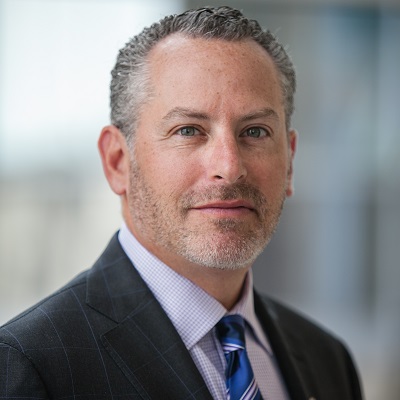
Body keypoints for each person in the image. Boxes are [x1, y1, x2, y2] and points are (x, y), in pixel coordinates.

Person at [0, 6, 363, 400]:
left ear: (290, 161)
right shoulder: (31, 367)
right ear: (118, 161)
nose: (229, 166)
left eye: (255, 131)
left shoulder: (328, 360)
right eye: (188, 130)